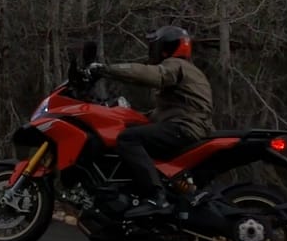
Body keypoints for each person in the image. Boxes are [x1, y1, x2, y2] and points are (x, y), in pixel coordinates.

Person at [86, 25, 215, 220]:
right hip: (183, 126)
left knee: (128, 139)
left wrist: (106, 69)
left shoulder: (175, 66)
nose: (153, 50)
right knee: (128, 129)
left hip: (184, 128)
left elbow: (152, 75)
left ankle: (156, 197)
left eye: (157, 45)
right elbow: (165, 112)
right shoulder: (187, 71)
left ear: (168, 47)